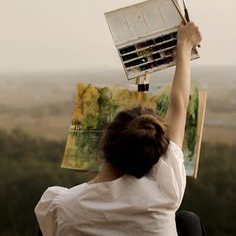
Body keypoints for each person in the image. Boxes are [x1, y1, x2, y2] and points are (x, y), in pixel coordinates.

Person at [35, 22, 205, 236]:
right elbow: (178, 106)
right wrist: (184, 45)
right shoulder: (166, 191)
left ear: (105, 143)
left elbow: (178, 107)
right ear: (154, 155)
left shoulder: (63, 207)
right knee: (188, 222)